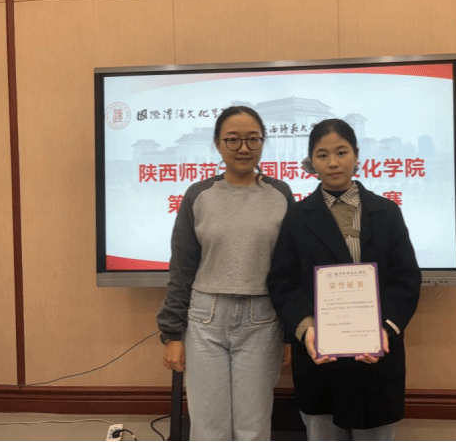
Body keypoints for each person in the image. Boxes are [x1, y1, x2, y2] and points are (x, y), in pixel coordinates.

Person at [267, 119, 421, 441]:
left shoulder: (387, 212)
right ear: (311, 161)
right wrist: (306, 328)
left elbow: (405, 279)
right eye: (322, 155)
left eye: (341, 152)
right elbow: (283, 281)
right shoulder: (296, 217)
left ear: (356, 155)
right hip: (320, 355)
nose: (333, 163)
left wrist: (383, 330)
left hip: (377, 354)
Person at [157, 106, 294, 441]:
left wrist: (289, 333)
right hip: (205, 319)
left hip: (263, 320)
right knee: (208, 428)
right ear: (217, 144)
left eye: (252, 139)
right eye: (233, 140)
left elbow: (290, 270)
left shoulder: (281, 194)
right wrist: (172, 333)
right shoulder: (198, 195)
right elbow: (182, 266)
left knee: (253, 427)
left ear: (263, 142)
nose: (243, 148)